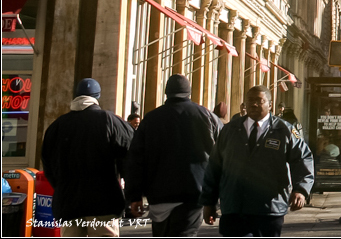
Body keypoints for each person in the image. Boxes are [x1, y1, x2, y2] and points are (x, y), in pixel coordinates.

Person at [201, 85, 315, 236]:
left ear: (270, 104)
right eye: (250, 100)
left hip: (269, 209)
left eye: (259, 101)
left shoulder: (284, 130)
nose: (254, 104)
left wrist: (301, 190)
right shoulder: (230, 130)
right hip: (235, 207)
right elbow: (215, 167)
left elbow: (303, 158)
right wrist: (209, 202)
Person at [124, 74, 223, 237]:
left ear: (166, 92)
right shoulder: (206, 116)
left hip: (159, 195)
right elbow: (221, 157)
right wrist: (214, 198)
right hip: (193, 194)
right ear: (189, 92)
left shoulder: (150, 119)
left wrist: (134, 196)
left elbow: (135, 160)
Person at [40, 77, 133, 236]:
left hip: (68, 202)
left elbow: (48, 164)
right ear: (97, 97)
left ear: (76, 95)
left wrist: (62, 186)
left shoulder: (57, 126)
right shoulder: (109, 121)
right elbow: (130, 156)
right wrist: (133, 193)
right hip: (104, 201)